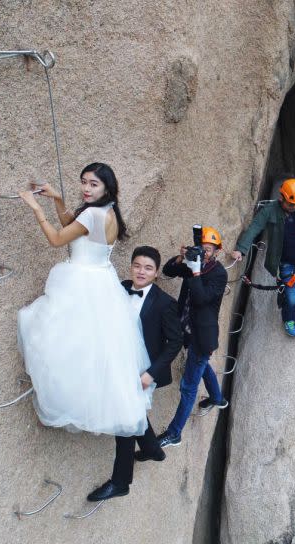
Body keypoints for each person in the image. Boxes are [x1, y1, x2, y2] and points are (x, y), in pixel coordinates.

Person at [17, 162, 153, 436]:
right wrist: (57, 198)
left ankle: (65, 396)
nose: (86, 188)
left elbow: (57, 239)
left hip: (82, 283)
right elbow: (74, 227)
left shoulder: (92, 214)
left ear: (106, 187)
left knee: (58, 338)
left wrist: (35, 208)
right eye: (84, 182)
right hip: (101, 283)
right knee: (96, 350)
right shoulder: (108, 210)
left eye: (93, 184)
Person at [87, 246, 184, 502]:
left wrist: (151, 374)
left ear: (155, 273)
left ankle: (120, 482)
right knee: (133, 412)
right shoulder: (120, 287)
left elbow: (174, 343)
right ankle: (153, 449)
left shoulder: (165, 303)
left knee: (126, 419)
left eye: (148, 268)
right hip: (117, 364)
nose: (141, 272)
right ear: (130, 266)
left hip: (143, 371)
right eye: (137, 266)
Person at [157, 227, 229, 448]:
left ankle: (175, 432)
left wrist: (196, 271)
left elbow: (201, 298)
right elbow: (168, 271)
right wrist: (181, 257)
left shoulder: (219, 274)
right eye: (202, 249)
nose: (205, 253)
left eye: (209, 250)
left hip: (202, 336)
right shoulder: (192, 263)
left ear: (217, 251)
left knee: (188, 387)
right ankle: (218, 399)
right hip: (186, 329)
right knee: (200, 364)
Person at [231, 178, 295, 340]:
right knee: (292, 296)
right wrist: (241, 249)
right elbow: (255, 227)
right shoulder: (270, 210)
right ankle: (288, 319)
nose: (294, 207)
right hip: (287, 264)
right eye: (290, 204)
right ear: (281, 197)